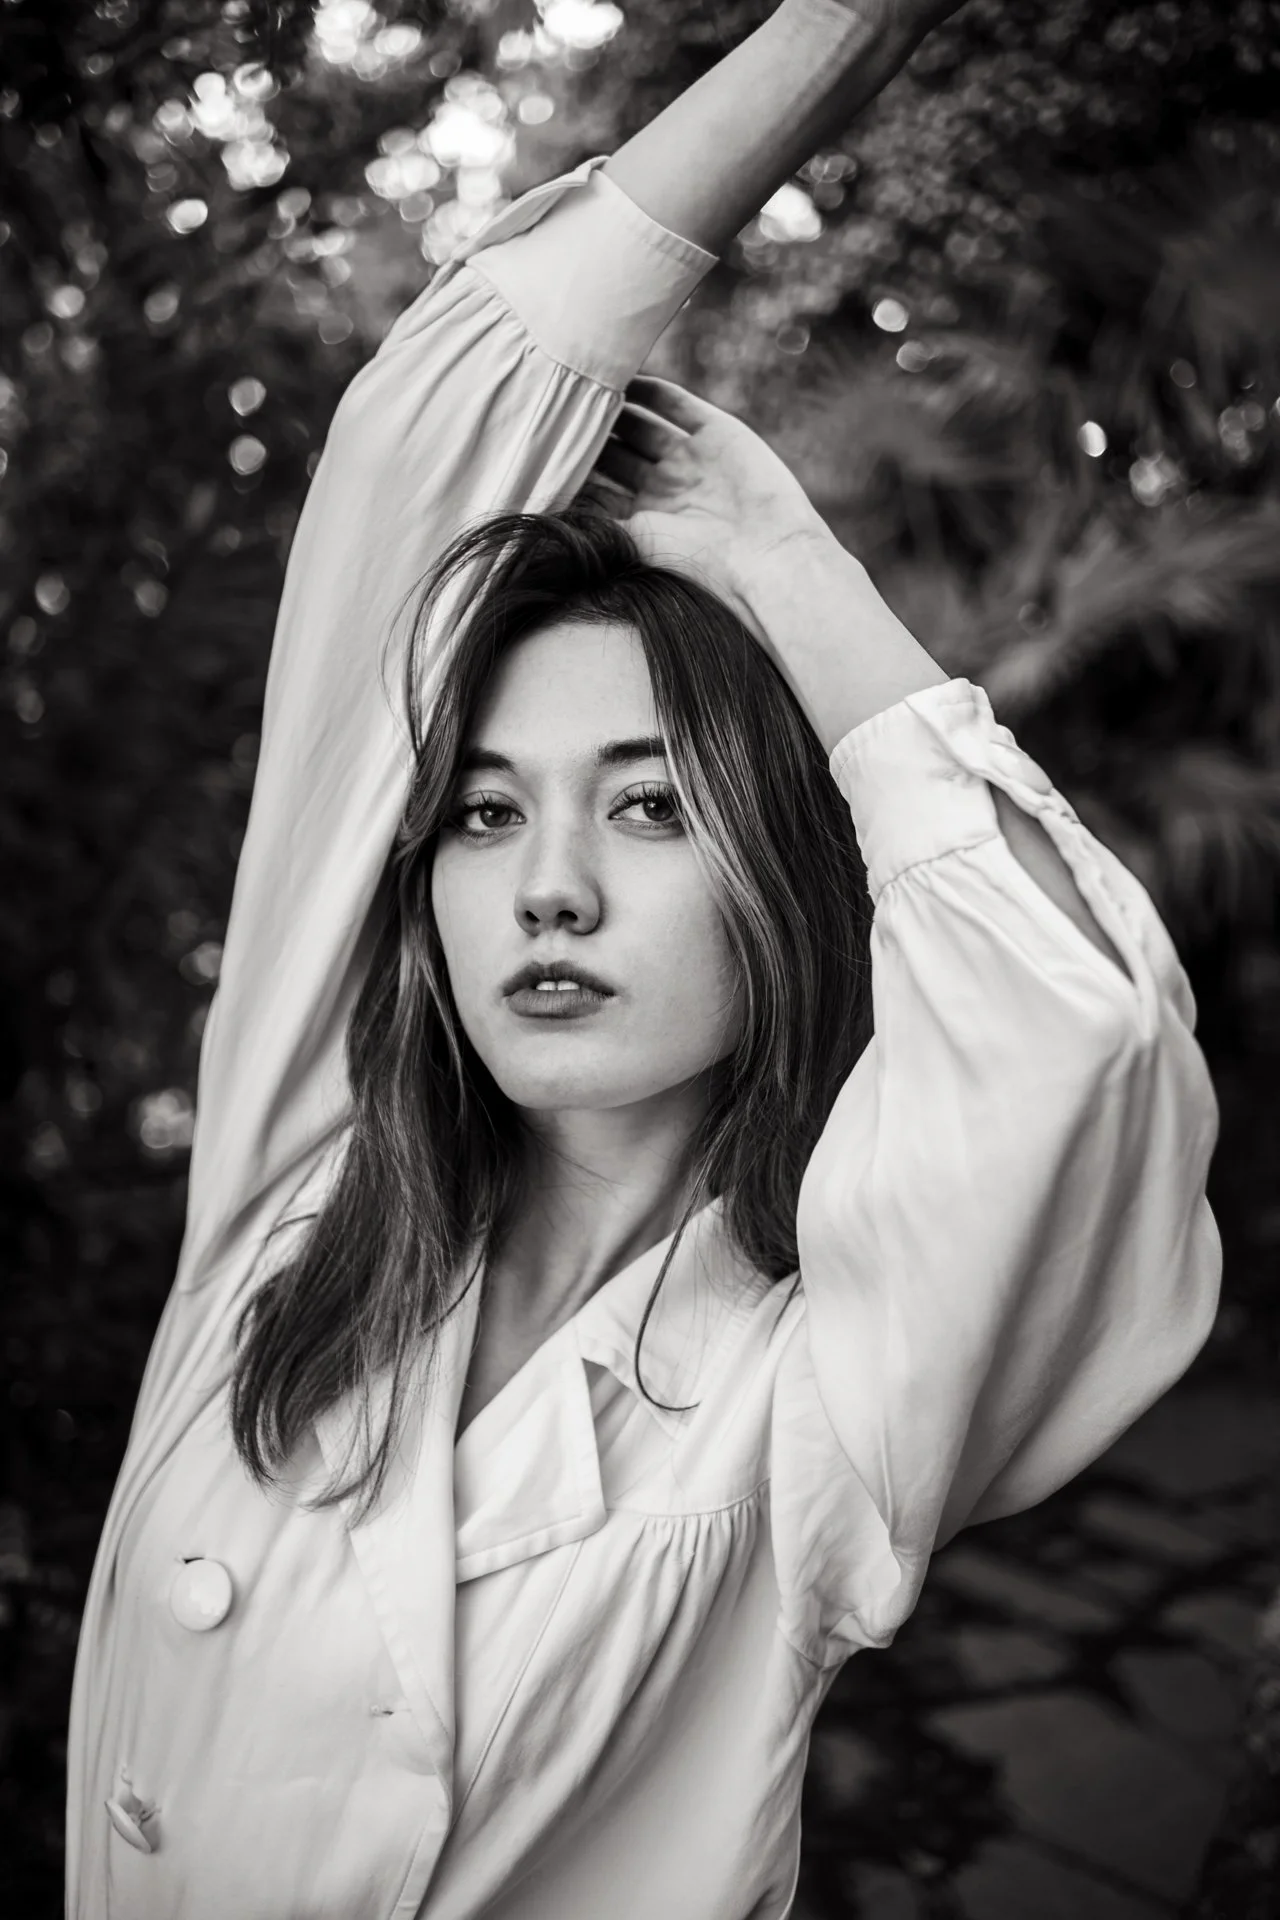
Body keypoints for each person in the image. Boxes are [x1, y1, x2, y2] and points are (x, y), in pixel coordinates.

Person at [66, 1, 1221, 1914]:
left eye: (654, 806)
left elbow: (1073, 1039)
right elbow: (417, 438)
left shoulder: (822, 1395)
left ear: (777, 869)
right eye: (489, 812)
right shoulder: (291, 1204)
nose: (551, 891)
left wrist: (789, 571)